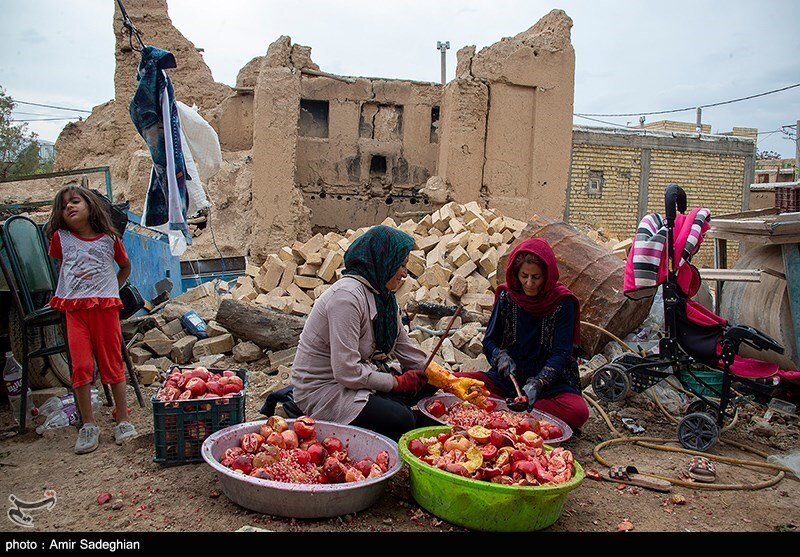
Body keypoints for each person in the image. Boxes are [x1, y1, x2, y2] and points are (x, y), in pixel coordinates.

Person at [291, 224, 485, 441]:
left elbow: (406, 350)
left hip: (358, 375)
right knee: (402, 419)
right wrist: (397, 383)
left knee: (428, 383)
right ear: (383, 260)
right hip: (326, 389)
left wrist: (450, 381)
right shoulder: (346, 298)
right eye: (401, 265)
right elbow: (346, 371)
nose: (405, 273)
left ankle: (387, 410)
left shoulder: (384, 298)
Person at [457, 237, 589, 431]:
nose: (529, 283)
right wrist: (500, 357)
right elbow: (490, 341)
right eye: (524, 276)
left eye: (536, 277)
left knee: (578, 412)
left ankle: (505, 413)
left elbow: (561, 354)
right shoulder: (506, 296)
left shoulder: (562, 302)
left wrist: (538, 383)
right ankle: (522, 416)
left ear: (547, 275)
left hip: (549, 385)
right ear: (516, 273)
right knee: (456, 382)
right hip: (507, 381)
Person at [45, 184, 138, 454]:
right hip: (76, 313)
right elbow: (63, 265)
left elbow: (125, 266)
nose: (69, 207)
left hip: (105, 311)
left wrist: (111, 289)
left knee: (112, 363)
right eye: (64, 205)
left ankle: (123, 419)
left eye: (75, 201)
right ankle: (88, 425)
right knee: (81, 366)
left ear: (90, 206)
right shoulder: (61, 239)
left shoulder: (109, 239)